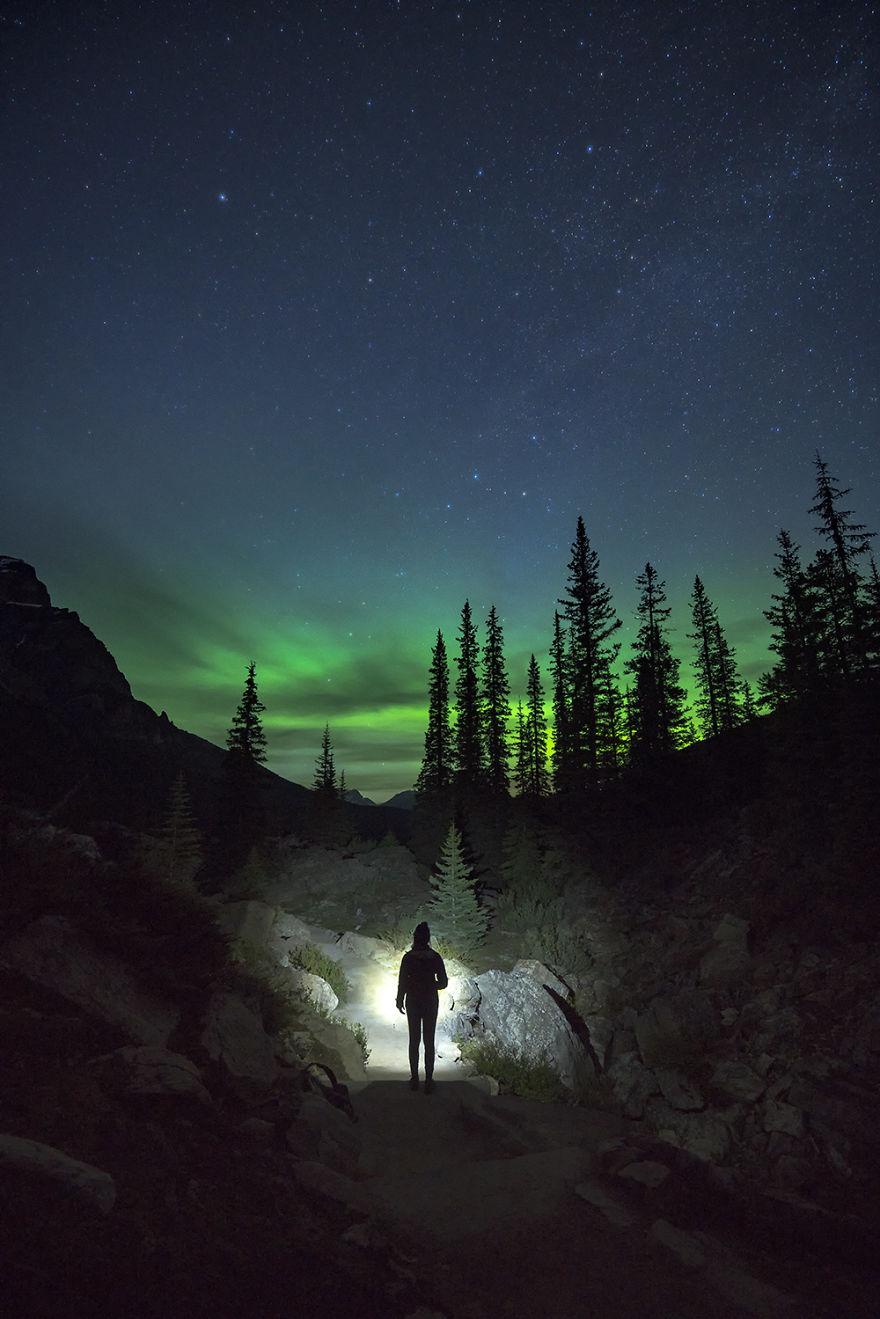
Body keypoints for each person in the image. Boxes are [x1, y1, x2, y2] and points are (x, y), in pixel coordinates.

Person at [396, 921, 448, 1093]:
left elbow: (402, 981)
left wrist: (399, 999)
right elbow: (443, 982)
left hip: (413, 1000)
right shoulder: (435, 957)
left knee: (414, 1040)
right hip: (430, 1001)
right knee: (429, 1040)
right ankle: (429, 1080)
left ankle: (414, 1079)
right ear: (427, 939)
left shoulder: (408, 957)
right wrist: (431, 985)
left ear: (415, 938)